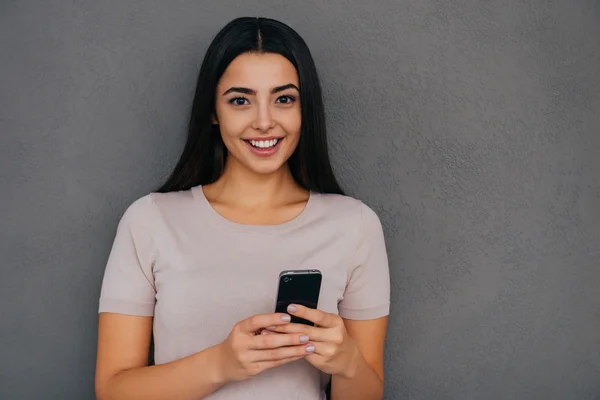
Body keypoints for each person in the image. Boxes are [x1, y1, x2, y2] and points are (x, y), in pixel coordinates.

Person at [95, 16, 390, 400]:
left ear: (305, 109)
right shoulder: (150, 220)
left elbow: (367, 392)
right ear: (213, 111)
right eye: (240, 100)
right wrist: (222, 364)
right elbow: (113, 391)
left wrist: (348, 362)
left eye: (284, 99)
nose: (264, 122)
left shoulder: (355, 225)